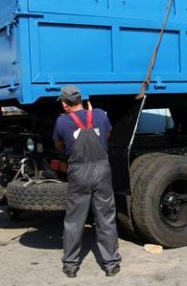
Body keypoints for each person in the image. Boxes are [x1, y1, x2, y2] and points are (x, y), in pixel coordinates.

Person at [53, 85, 122, 278]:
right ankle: (111, 264)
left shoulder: (62, 122)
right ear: (82, 101)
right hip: (102, 170)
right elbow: (106, 136)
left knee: (75, 220)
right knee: (105, 218)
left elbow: (59, 145)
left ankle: (71, 266)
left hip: (78, 172)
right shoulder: (99, 115)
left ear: (65, 104)